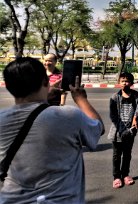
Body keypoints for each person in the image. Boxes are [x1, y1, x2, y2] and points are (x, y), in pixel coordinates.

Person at [0, 57, 104, 203]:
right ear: (45, 82)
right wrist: (80, 98)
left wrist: (44, 96)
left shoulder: (2, 119)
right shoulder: (69, 116)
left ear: (9, 86)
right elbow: (98, 128)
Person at [108, 72, 138, 188]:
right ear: (119, 82)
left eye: (127, 81)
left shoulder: (136, 96)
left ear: (131, 83)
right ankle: (116, 177)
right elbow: (113, 116)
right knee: (116, 155)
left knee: (127, 154)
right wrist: (122, 130)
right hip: (117, 132)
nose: (125, 83)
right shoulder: (115, 97)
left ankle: (125, 174)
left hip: (130, 132)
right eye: (122, 81)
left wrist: (134, 128)